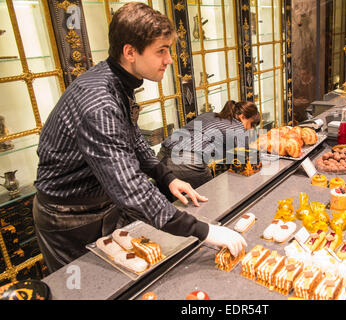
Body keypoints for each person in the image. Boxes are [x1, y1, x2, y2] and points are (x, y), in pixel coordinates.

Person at [33, 2, 246, 273]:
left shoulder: (117, 81)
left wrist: (166, 176)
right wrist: (204, 231)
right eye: (161, 51)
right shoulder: (99, 103)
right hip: (69, 219)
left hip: (101, 205)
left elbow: (132, 138)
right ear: (130, 52)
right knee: (86, 288)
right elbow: (130, 187)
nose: (169, 60)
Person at [158, 100, 260, 190]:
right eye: (252, 124)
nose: (250, 129)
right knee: (209, 196)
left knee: (169, 199)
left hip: (162, 154)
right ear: (242, 117)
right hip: (186, 162)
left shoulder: (210, 115)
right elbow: (250, 150)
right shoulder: (236, 126)